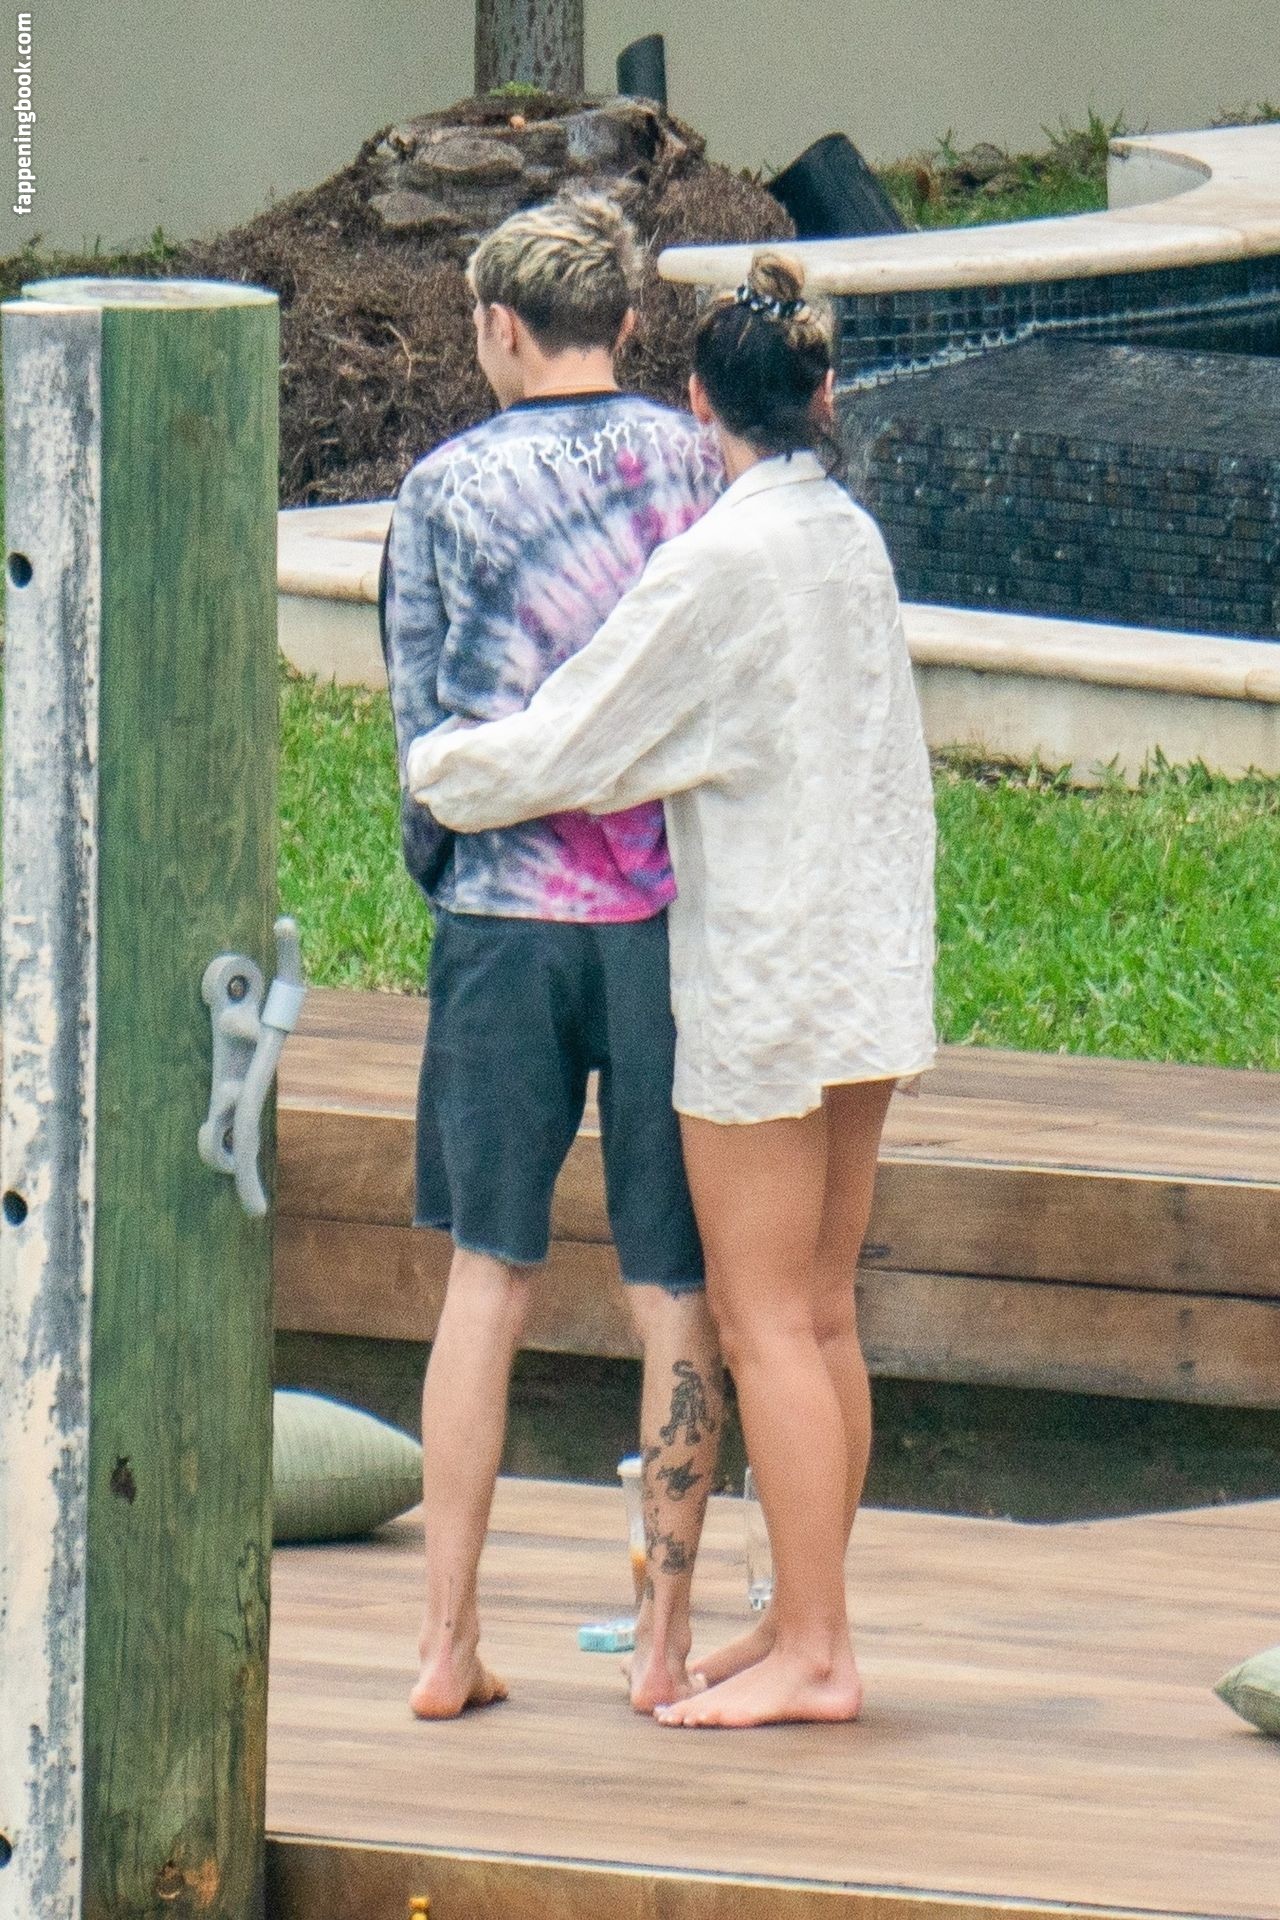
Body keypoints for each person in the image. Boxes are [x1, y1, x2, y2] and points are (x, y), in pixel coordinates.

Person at [405, 252, 937, 1729]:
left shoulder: (721, 561)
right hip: (869, 972)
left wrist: (437, 773)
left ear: (702, 402)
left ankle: (816, 1653)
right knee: (821, 1316)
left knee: (765, 1323)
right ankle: (800, 1620)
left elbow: (577, 738)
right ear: (823, 396)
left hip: (762, 979)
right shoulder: (848, 538)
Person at [382, 193, 728, 1721]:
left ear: (499, 326)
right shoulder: (695, 464)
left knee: (487, 1276)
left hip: (504, 928)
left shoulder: (444, 488)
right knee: (674, 1290)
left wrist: (453, 876)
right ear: (630, 324)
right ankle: (663, 1643)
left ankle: (445, 1645)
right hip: (665, 925)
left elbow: (423, 728)